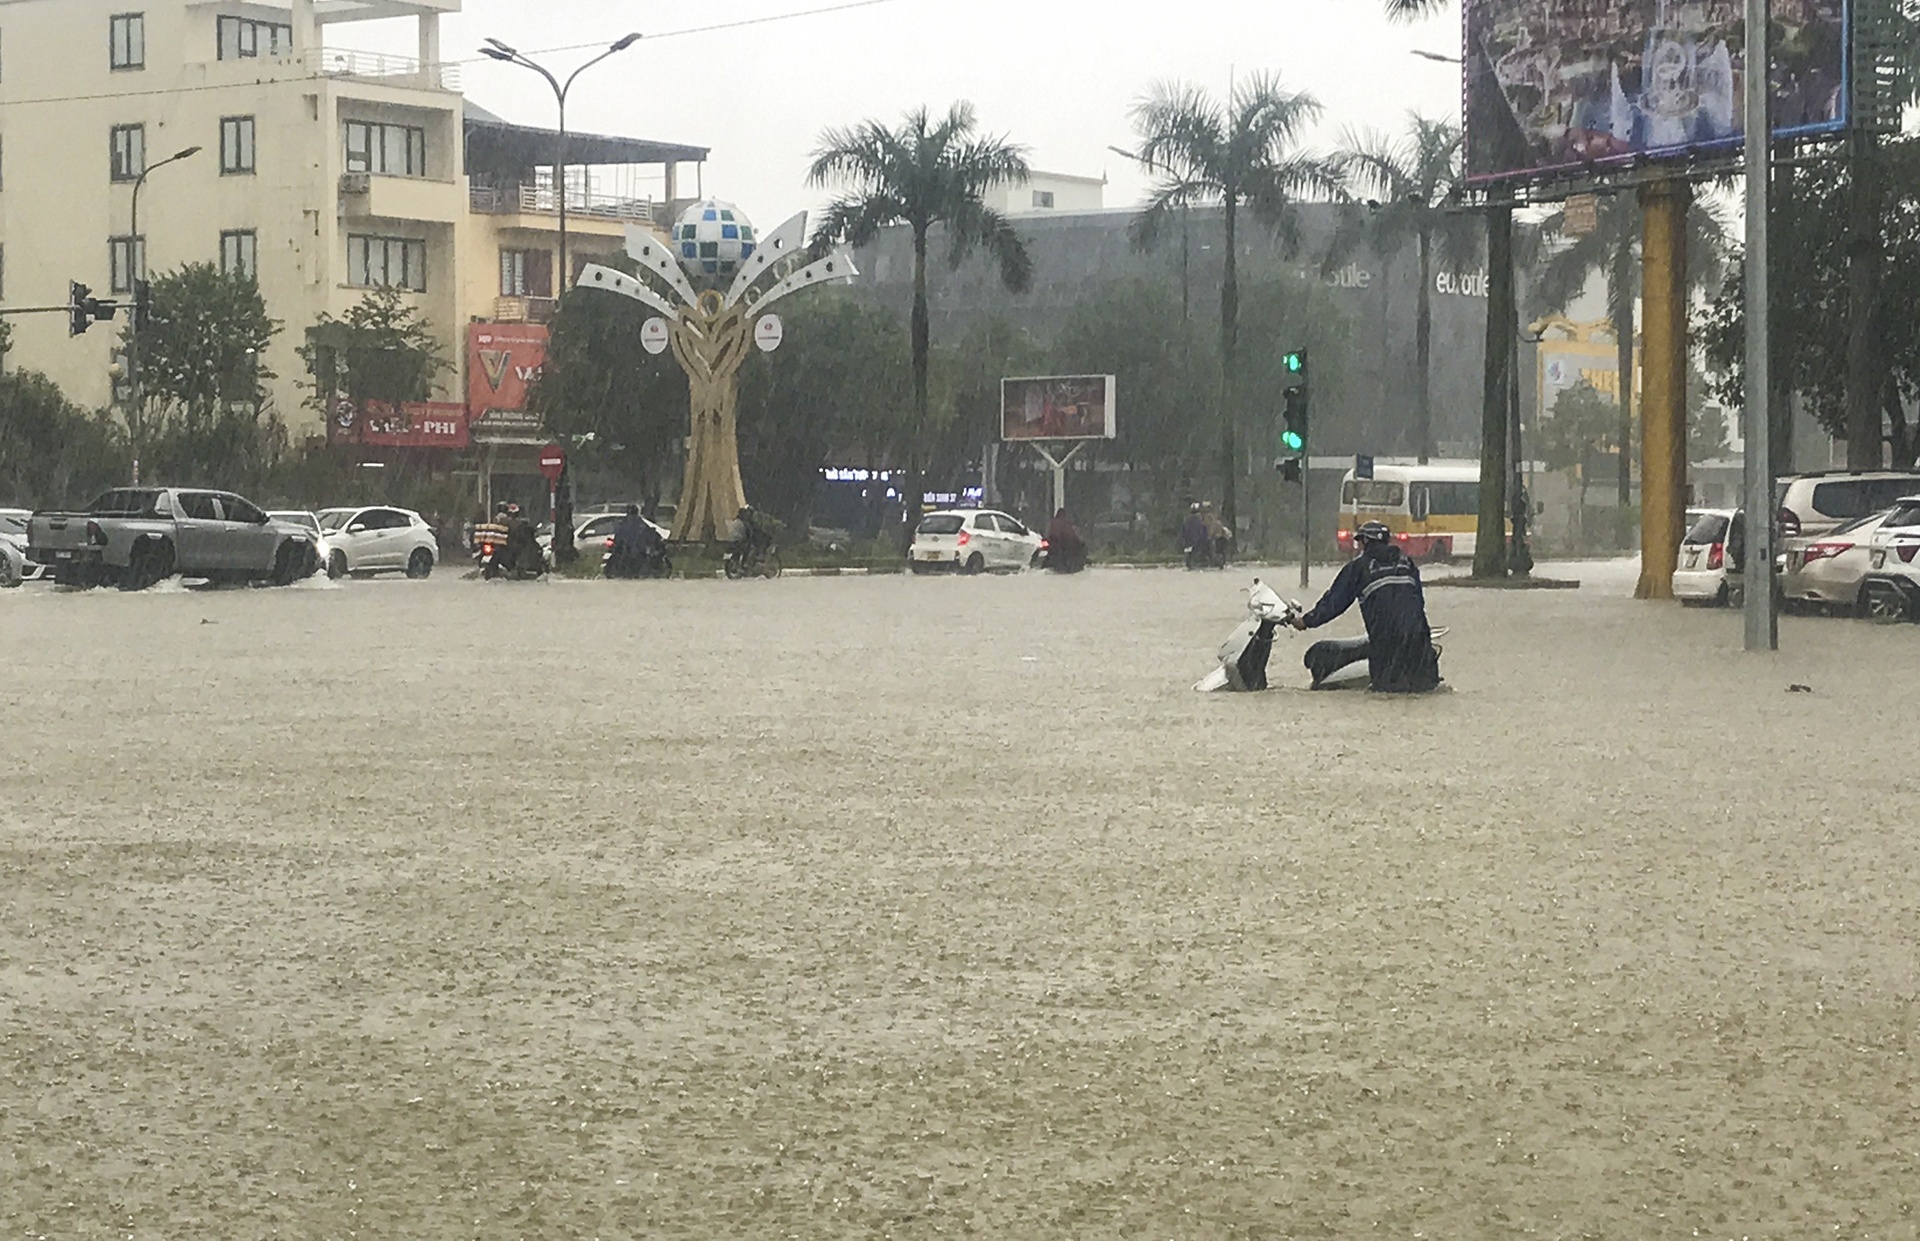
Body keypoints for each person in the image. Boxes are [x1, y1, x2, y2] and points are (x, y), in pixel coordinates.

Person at [1292, 520, 1441, 693]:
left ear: (1366, 542)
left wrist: (1306, 621)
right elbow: (1418, 602)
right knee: (1426, 692)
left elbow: (1334, 603)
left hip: (1387, 645)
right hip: (1420, 642)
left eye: (1359, 542)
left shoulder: (1359, 568)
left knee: (1386, 697)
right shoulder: (1406, 563)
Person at [1045, 508, 1087, 573]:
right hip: (1066, 546)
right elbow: (1074, 536)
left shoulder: (1052, 522)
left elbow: (1048, 534)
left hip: (1054, 545)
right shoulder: (1067, 523)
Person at [1180, 503, 1210, 569]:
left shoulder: (1187, 519)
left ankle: (1193, 562)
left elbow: (1183, 530)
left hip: (1188, 540)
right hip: (1196, 540)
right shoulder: (1199, 520)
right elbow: (1202, 531)